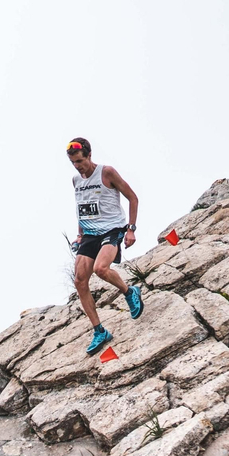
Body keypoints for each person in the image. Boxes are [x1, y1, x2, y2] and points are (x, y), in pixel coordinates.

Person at [66, 137, 143, 355]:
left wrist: (131, 229)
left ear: (89, 156)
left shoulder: (106, 172)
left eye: (80, 161)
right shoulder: (75, 180)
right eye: (74, 163)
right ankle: (99, 331)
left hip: (112, 230)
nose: (78, 166)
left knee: (101, 269)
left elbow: (133, 198)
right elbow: (81, 208)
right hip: (90, 234)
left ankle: (130, 292)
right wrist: (79, 235)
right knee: (80, 281)